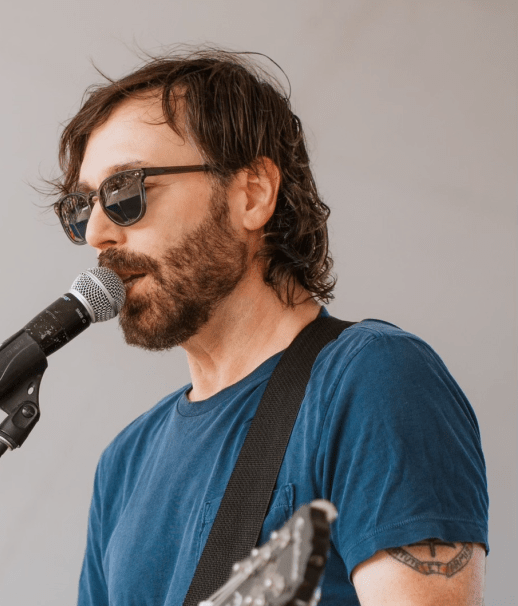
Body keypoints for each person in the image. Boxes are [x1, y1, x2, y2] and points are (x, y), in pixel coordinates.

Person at [49, 49, 488, 606]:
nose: (97, 233)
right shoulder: (125, 463)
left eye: (125, 191)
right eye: (82, 207)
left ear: (252, 192)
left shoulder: (372, 380)